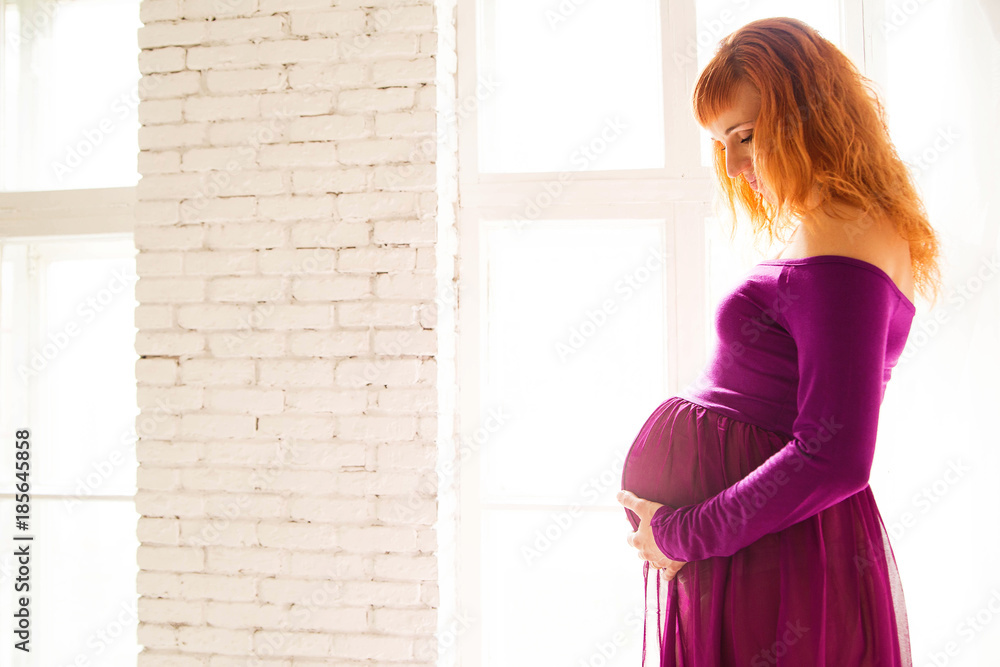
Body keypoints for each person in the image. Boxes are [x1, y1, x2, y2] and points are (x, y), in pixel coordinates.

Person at [616, 16, 940, 667]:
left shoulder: (845, 230)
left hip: (770, 559)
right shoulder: (839, 223)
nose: (734, 166)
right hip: (757, 551)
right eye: (720, 144)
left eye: (746, 135)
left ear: (806, 115)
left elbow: (836, 454)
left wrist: (683, 532)